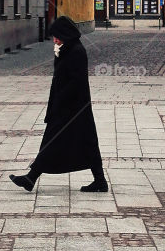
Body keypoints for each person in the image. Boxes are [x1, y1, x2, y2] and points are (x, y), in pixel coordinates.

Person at [9, 16, 107, 193]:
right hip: (68, 106)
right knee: (84, 142)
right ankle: (99, 181)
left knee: (63, 141)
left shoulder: (76, 51)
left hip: (73, 107)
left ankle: (31, 178)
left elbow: (76, 82)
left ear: (66, 34)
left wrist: (60, 101)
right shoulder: (68, 48)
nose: (54, 40)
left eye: (57, 36)